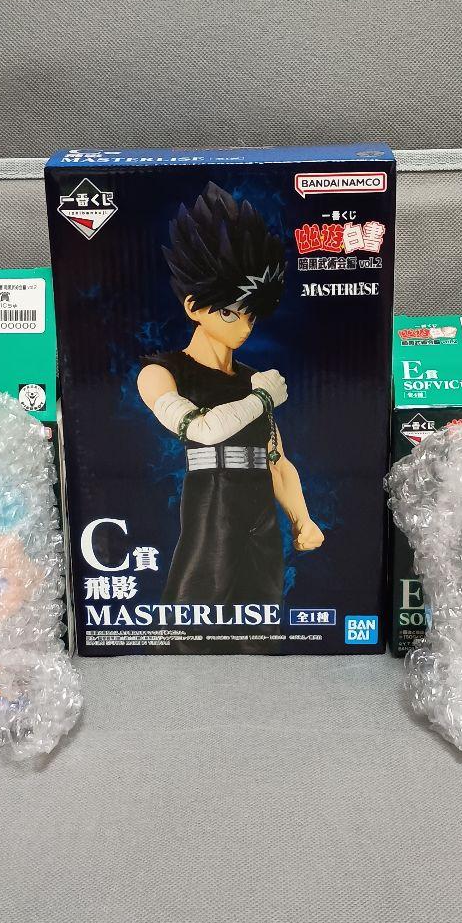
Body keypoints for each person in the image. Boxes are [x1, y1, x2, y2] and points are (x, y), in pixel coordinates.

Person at [137, 181, 324, 618]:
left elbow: (277, 461)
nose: (243, 327)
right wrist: (261, 399)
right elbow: (202, 430)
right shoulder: (161, 372)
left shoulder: (252, 379)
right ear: (193, 306)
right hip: (212, 509)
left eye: (251, 315)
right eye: (228, 312)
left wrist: (302, 519)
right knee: (191, 619)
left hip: (261, 517)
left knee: (261, 623)